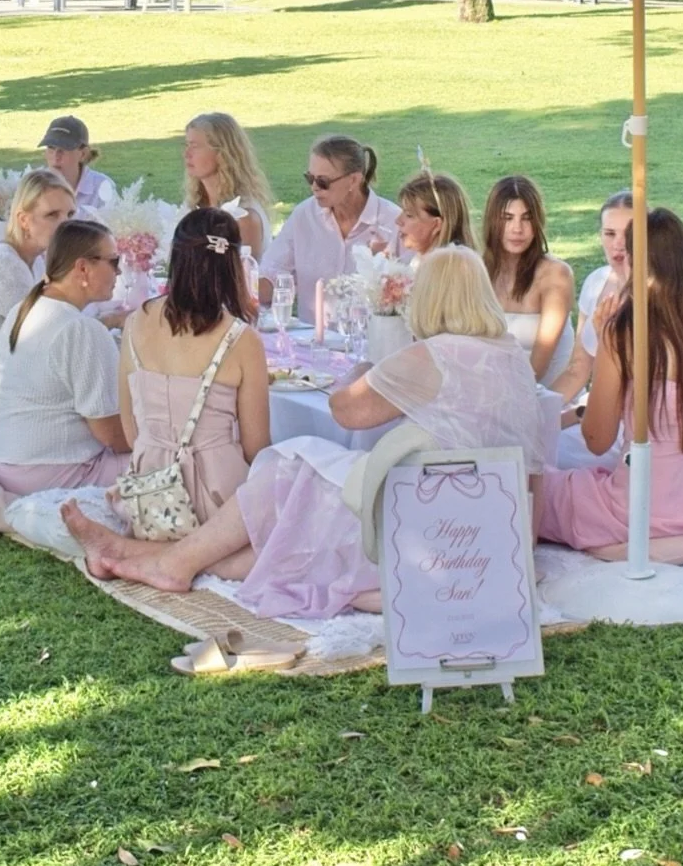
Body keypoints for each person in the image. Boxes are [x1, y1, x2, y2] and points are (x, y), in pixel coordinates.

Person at [63, 246, 547, 618]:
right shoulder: (512, 359)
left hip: (423, 529)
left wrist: (362, 368)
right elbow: (536, 470)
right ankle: (157, 559)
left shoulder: (433, 355)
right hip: (488, 534)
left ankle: (167, 561)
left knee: (291, 466)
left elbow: (345, 411)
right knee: (298, 501)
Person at [538, 208, 683, 548]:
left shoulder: (624, 332)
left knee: (532, 484)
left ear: (635, 261)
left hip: (636, 509)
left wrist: (604, 343)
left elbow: (597, 439)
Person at [116, 207, 269, 525]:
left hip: (148, 490)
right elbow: (256, 448)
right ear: (233, 265)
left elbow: (131, 430)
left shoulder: (134, 322)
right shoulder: (242, 339)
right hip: (218, 495)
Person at [0, 220, 131, 493]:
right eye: (114, 261)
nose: (118, 271)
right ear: (82, 268)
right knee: (175, 462)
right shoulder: (82, 329)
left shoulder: (23, 309)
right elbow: (110, 434)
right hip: (52, 474)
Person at [0, 169, 76, 429]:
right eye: (52, 215)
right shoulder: (3, 266)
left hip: (14, 392)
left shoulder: (35, 259)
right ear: (24, 220)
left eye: (70, 215)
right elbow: (46, 342)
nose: (66, 226)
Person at [258, 134, 400, 323]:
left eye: (323, 181)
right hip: (311, 338)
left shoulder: (393, 222)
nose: (314, 187)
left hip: (372, 338)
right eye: (310, 178)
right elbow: (271, 273)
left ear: (354, 180)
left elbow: (410, 293)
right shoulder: (303, 216)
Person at [482, 175, 575, 386]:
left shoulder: (556, 275)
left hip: (547, 395)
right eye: (507, 218)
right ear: (492, 221)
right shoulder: (478, 272)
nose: (517, 229)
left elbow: (537, 368)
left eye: (526, 218)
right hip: (489, 391)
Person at [550, 190, 635, 404]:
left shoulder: (657, 292)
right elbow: (577, 369)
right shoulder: (595, 282)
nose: (619, 244)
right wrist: (536, 408)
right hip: (595, 406)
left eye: (629, 234)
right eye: (610, 233)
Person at [183, 111, 274, 258]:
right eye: (187, 145)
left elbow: (242, 271)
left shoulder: (244, 217)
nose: (186, 154)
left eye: (195, 146)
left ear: (222, 153)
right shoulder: (194, 206)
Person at [38, 114, 117, 216]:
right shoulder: (34, 186)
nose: (56, 156)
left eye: (64, 149)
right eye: (51, 148)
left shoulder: (101, 187)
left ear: (83, 154)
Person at [389, 169, 473, 261]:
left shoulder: (450, 267)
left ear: (436, 224)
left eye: (409, 215)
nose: (398, 221)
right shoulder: (414, 259)